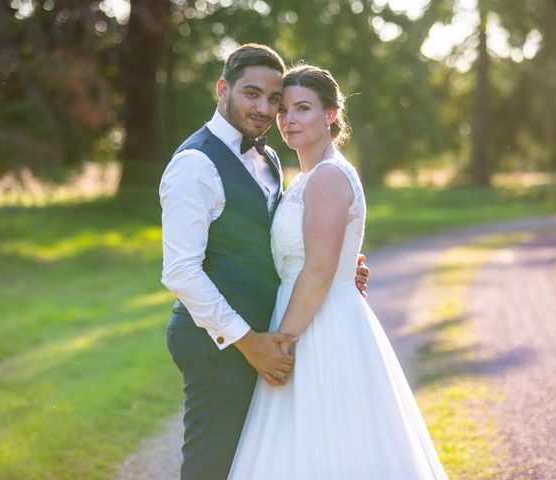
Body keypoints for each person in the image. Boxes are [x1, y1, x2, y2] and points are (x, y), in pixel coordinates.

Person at [228, 64, 448, 479]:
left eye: (303, 108)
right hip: (309, 315)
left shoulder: (328, 176)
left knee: (330, 443)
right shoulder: (306, 177)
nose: (288, 119)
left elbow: (319, 270)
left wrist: (281, 343)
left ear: (331, 115)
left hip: (320, 329)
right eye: (283, 109)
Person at [159, 45, 369, 480]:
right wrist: (247, 341)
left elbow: (280, 240)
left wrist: (341, 267)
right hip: (220, 342)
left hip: (268, 334)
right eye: (251, 94)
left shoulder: (269, 158)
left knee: (259, 461)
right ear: (223, 89)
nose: (264, 108)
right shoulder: (194, 164)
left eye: (273, 99)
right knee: (212, 466)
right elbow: (180, 270)